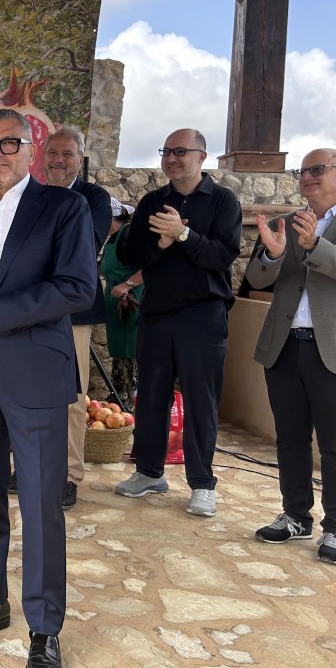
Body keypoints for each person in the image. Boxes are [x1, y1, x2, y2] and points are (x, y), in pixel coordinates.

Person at [0, 109, 96, 667]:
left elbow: (78, 288)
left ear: (30, 149)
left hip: (36, 374)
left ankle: (45, 626)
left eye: (9, 143)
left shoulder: (64, 208)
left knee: (40, 504)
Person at [114, 128, 241, 519]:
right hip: (156, 313)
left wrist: (183, 234)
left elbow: (223, 256)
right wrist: (160, 243)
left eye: (180, 151)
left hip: (203, 314)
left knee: (201, 401)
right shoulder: (153, 201)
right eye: (166, 151)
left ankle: (202, 484)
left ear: (201, 156)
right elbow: (130, 253)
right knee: (151, 396)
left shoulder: (223, 200)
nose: (171, 158)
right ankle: (149, 472)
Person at [245, 148, 336, 564]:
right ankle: (296, 515)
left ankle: (334, 527)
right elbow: (256, 278)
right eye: (303, 170)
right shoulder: (286, 222)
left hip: (329, 351)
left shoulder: (311, 230)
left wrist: (315, 244)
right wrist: (275, 253)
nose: (308, 177)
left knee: (333, 444)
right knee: (291, 438)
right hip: (283, 346)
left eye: (318, 169)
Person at [38, 126, 111, 509]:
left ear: (79, 160)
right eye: (53, 153)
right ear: (42, 157)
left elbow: (85, 244)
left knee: (71, 396)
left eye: (67, 154)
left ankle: (68, 475)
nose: (59, 161)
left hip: (73, 312)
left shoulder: (93, 198)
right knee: (29, 393)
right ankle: (32, 467)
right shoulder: (30, 196)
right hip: (31, 307)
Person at [100, 198, 143, 411]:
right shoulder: (112, 238)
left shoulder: (129, 236)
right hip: (116, 305)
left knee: (130, 352)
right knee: (119, 354)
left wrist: (127, 285)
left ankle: (130, 403)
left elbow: (149, 267)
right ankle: (120, 398)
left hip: (131, 303)